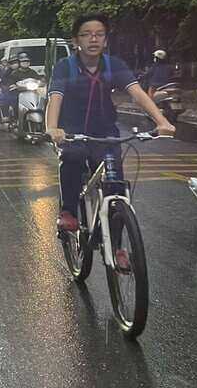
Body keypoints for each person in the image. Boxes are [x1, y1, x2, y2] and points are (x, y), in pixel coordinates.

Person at [47, 14, 175, 261]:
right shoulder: (65, 66)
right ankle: (69, 211)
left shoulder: (114, 65)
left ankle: (117, 249)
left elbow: (137, 93)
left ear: (105, 40)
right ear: (76, 40)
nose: (93, 39)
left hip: (106, 132)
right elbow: (55, 99)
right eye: (86, 34)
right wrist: (53, 128)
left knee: (116, 186)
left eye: (99, 34)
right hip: (73, 131)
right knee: (73, 157)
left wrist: (162, 121)